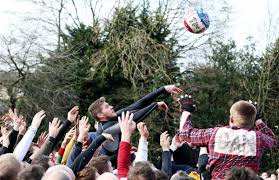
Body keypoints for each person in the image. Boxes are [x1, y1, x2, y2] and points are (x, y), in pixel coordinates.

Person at [177, 95, 277, 179]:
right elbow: (273, 141)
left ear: (231, 118)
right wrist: (258, 120)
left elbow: (186, 134)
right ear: (252, 121)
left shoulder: (215, 133)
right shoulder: (259, 138)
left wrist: (186, 110)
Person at [88, 85, 182, 154]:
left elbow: (138, 104)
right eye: (107, 107)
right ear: (100, 115)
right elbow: (132, 119)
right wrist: (155, 105)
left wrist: (163, 89)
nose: (112, 107)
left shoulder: (112, 118)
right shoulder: (106, 129)